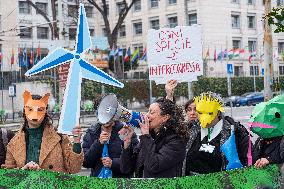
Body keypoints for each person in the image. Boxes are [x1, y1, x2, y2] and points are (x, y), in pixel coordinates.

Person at [2, 90, 83, 174]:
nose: (35, 114)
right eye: (30, 109)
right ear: (24, 111)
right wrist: (23, 170)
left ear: (45, 112)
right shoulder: (14, 143)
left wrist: (77, 142)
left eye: (40, 110)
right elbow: (9, 175)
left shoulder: (59, 137)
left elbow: (74, 168)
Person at [184, 92, 250, 175]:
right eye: (200, 112)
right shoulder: (191, 128)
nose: (204, 118)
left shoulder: (235, 132)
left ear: (218, 112)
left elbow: (248, 160)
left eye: (209, 113)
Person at [120, 98, 188, 178]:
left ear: (165, 118)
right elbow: (126, 169)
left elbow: (153, 166)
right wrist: (127, 143)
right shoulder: (150, 137)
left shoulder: (176, 141)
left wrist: (145, 135)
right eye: (148, 111)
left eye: (151, 112)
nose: (147, 115)